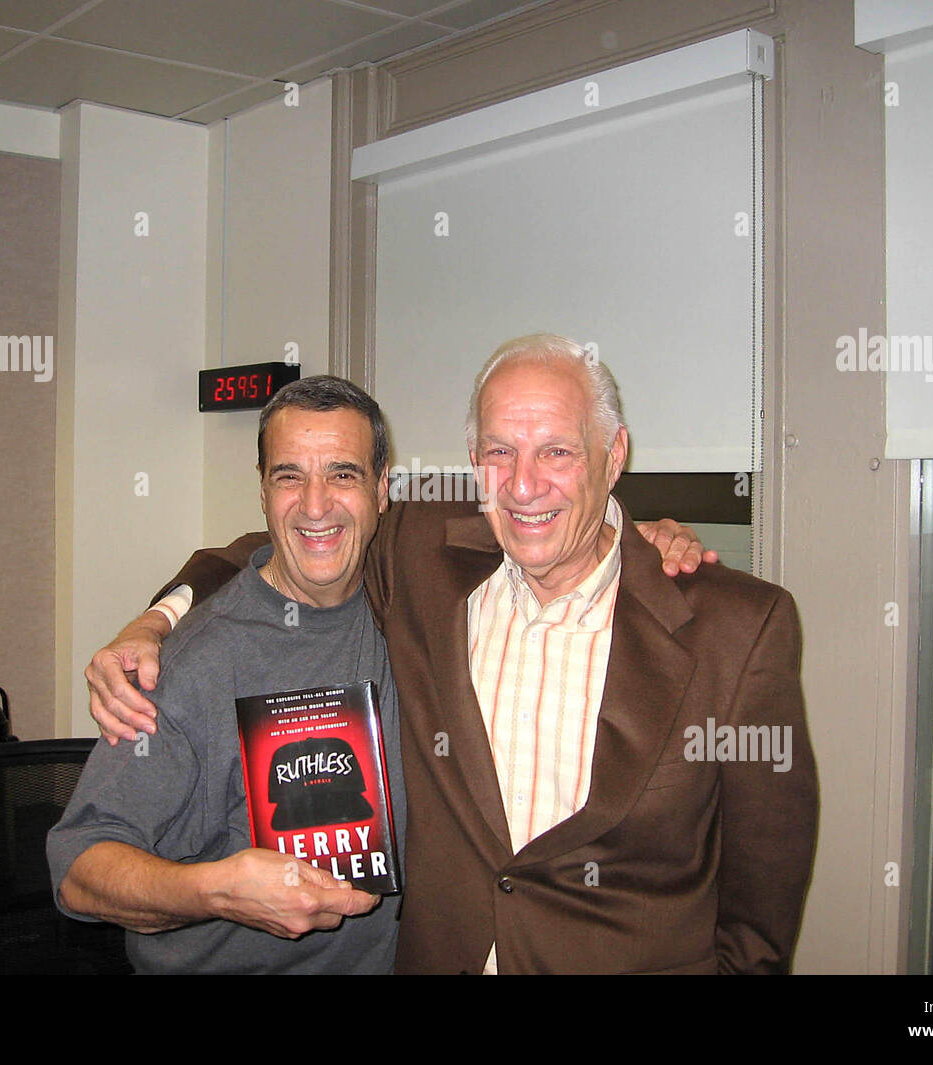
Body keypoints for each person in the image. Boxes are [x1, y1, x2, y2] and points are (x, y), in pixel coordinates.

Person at [95, 336, 811, 973]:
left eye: (557, 451)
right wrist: (155, 619)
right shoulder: (423, 559)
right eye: (501, 452)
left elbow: (763, 895)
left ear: (613, 454)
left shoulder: (738, 627)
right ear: (474, 462)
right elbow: (286, 542)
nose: (525, 485)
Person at [47, 376, 404, 973]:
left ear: (382, 489)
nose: (315, 505)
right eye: (289, 476)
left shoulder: (406, 611)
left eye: (343, 474)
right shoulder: (187, 665)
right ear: (263, 491)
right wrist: (217, 891)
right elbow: (79, 871)